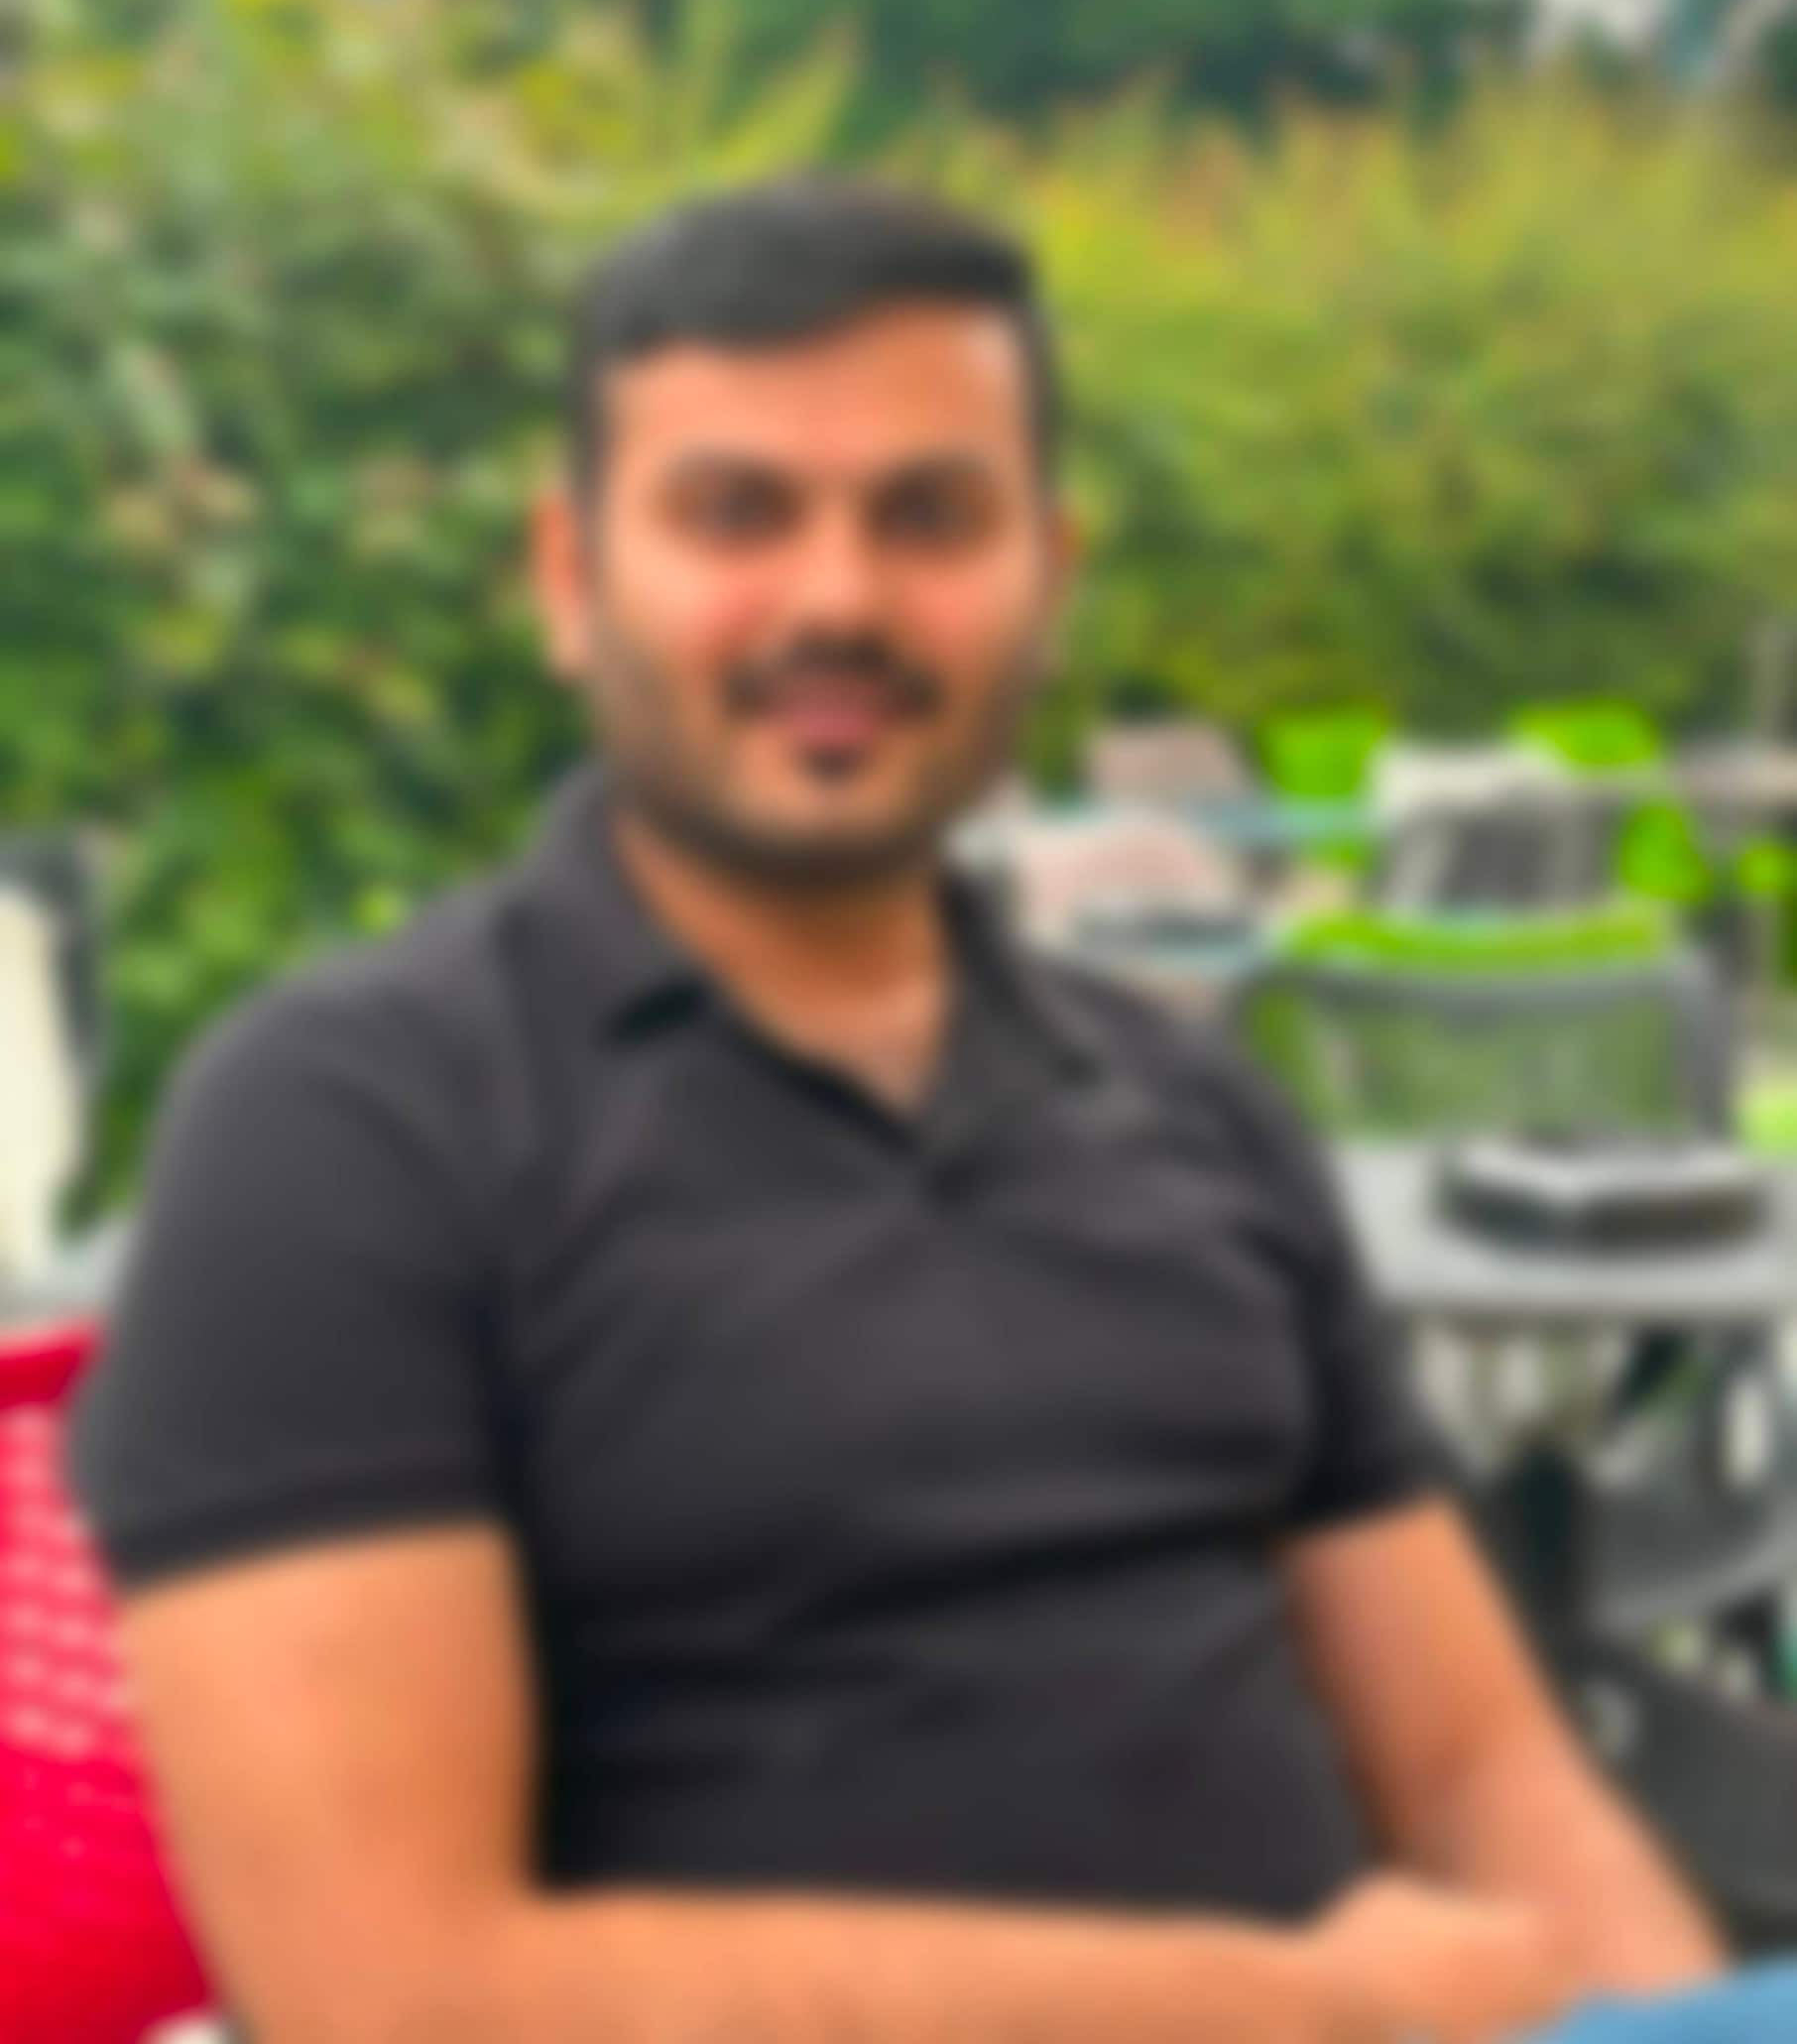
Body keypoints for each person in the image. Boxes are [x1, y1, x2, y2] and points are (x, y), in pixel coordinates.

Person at [69, 178, 1737, 2043]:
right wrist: (1293, 2010)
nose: (839, 599)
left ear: (1052, 577)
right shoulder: (345, 1131)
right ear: (570, 579)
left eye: (931, 518)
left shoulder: (1196, 1110)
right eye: (735, 514)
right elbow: (393, 1997)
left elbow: (1482, 1777)